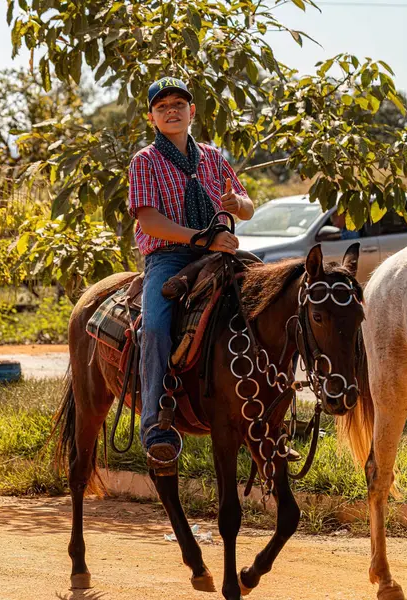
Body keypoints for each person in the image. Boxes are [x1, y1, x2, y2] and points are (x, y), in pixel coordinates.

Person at [128, 76, 254, 471]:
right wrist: (203, 238)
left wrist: (238, 202)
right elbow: (149, 221)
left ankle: (268, 409)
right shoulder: (145, 160)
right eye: (162, 106)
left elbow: (247, 207)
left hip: (218, 248)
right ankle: (156, 427)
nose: (171, 111)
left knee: (269, 302)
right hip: (170, 257)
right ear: (152, 117)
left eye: (178, 105)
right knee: (155, 327)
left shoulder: (215, 157)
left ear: (192, 112)